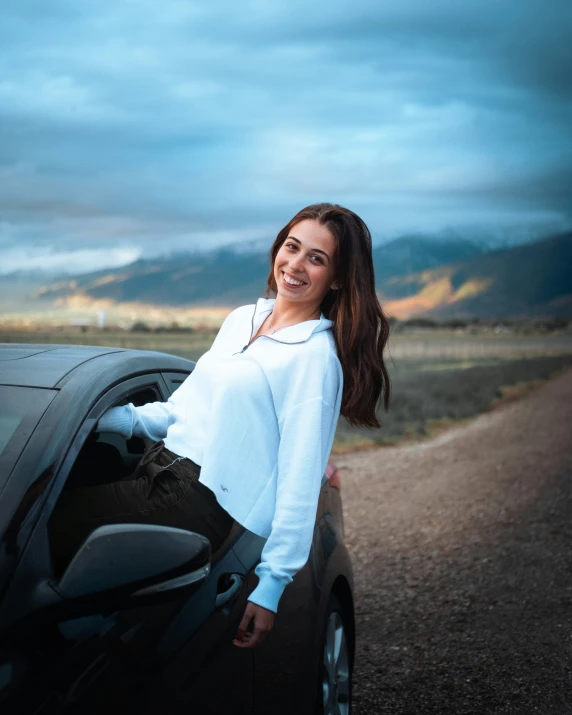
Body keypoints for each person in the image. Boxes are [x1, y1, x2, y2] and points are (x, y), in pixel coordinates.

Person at [49, 203, 391, 649]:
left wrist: (271, 585)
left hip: (194, 502)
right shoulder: (240, 320)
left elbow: (299, 478)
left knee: (48, 530)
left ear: (338, 279)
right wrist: (110, 421)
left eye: (316, 258)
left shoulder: (314, 359)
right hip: (155, 470)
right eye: (292, 247)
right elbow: (186, 407)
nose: (296, 264)